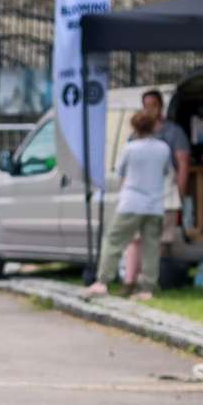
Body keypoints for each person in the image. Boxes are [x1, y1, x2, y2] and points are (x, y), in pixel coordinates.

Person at [83, 110, 172, 300]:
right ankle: (148, 288)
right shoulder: (163, 148)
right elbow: (166, 171)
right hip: (155, 203)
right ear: (154, 125)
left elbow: (121, 172)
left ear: (134, 127)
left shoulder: (130, 148)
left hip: (131, 202)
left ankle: (102, 282)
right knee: (151, 246)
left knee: (114, 241)